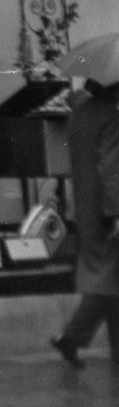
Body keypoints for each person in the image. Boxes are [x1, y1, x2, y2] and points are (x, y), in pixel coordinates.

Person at [52, 77, 119, 366]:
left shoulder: (80, 114)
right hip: (107, 210)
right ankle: (70, 336)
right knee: (107, 279)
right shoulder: (111, 117)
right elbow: (112, 169)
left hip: (86, 206)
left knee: (110, 277)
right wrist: (117, 213)